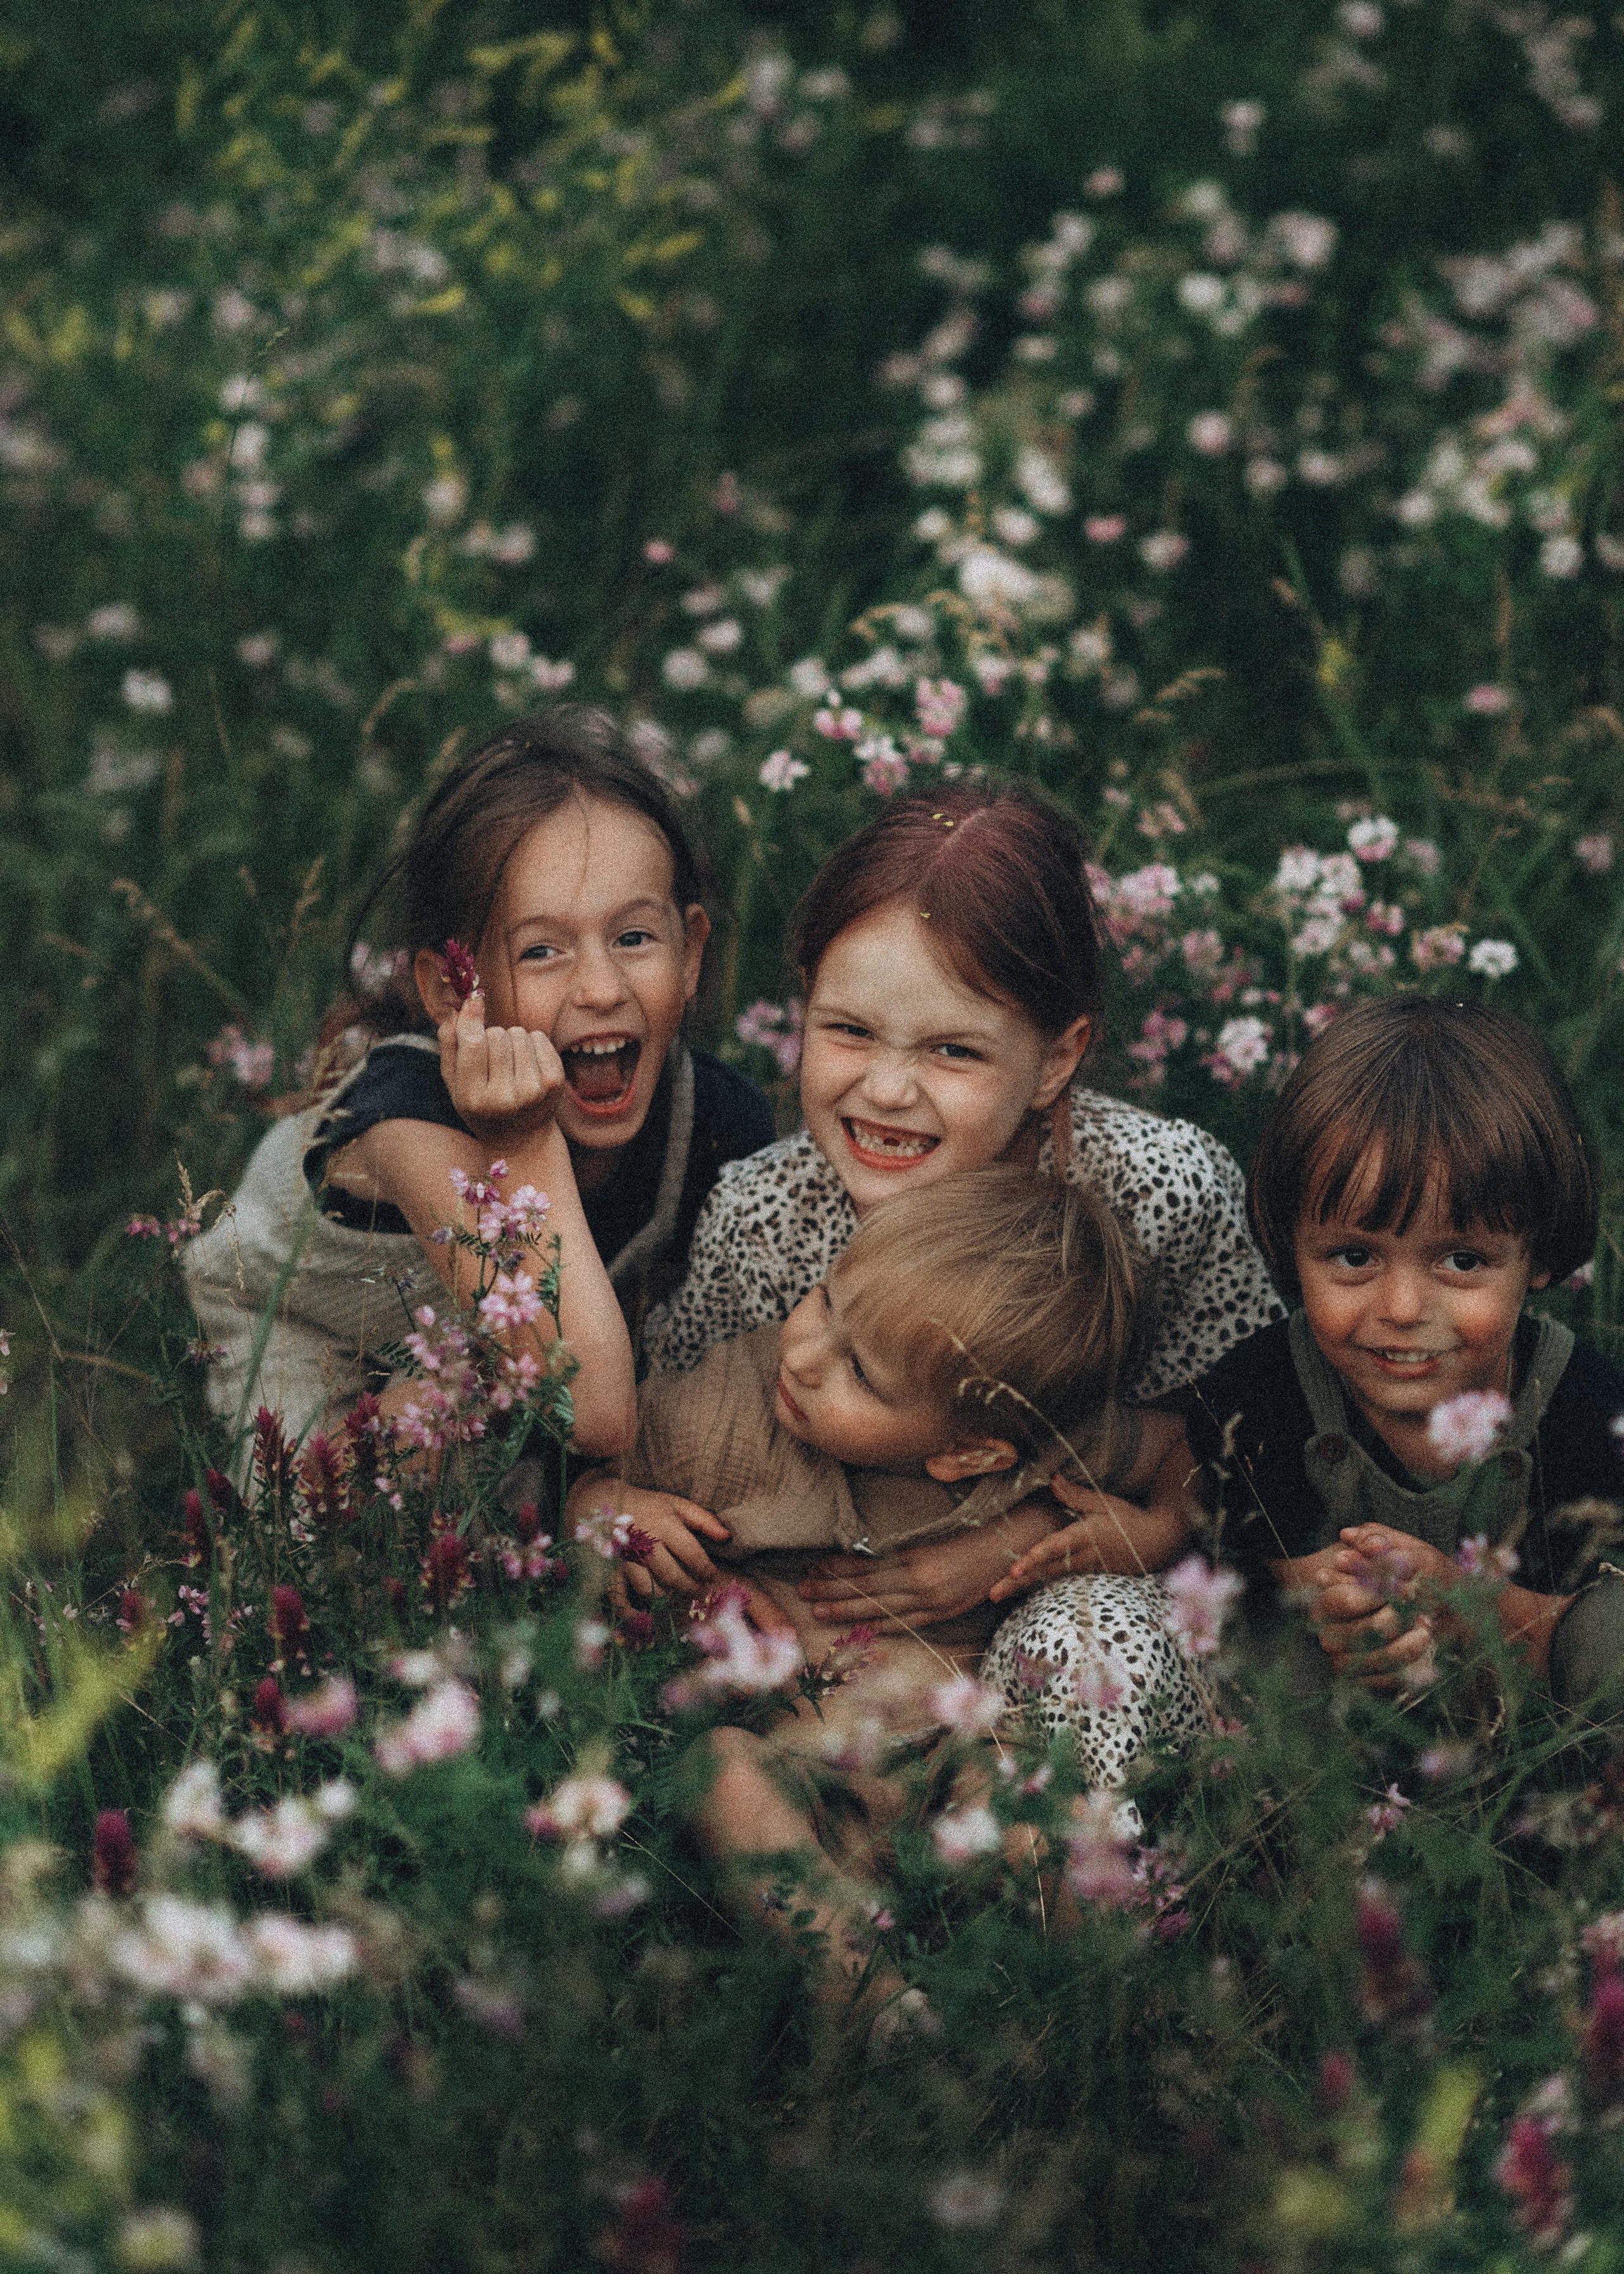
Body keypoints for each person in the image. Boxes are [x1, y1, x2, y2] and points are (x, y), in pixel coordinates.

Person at [628, 781, 1281, 1755]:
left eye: (954, 1050)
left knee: (1095, 1648)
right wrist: (641, 1528)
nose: (888, 1090)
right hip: (836, 1644)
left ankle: (1070, 1842)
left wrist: (1066, 1537)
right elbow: (670, 1444)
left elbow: (1248, 1431)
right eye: (849, 1030)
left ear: (1057, 1058)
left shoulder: (1155, 1192)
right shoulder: (766, 1214)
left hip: (1081, 1596)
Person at [579, 1165, 1207, 1997]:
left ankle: (1106, 2002)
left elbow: (1182, 1451)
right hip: (805, 1776)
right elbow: (574, 1476)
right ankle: (872, 2005)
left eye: (863, 1375)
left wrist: (1154, 1529)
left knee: (1040, 1809)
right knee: (721, 1773)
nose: (804, 1357)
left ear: (970, 1454)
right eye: (825, 1300)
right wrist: (608, 1509)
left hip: (955, 1757)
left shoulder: (1040, 1444)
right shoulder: (726, 1415)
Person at [183, 707, 775, 1462]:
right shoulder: (408, 1118)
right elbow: (590, 1411)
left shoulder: (715, 1118)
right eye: (540, 951)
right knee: (426, 1434)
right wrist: (522, 1142)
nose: (601, 988)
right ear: (452, 988)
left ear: (689, 953)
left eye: (634, 938)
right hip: (314, 1341)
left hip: (511, 1354)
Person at [1181, 996, 1624, 1706]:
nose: (1403, 1310)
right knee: (1271, 1653)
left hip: (1523, 1691)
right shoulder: (1260, 1397)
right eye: (1354, 1256)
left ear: (1537, 1256)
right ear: (1292, 1243)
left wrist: (1461, 1603)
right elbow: (1305, 1592)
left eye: (1462, 1260)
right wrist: (1355, 1609)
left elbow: (1562, 1641)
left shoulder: (1586, 1410)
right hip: (1349, 1701)